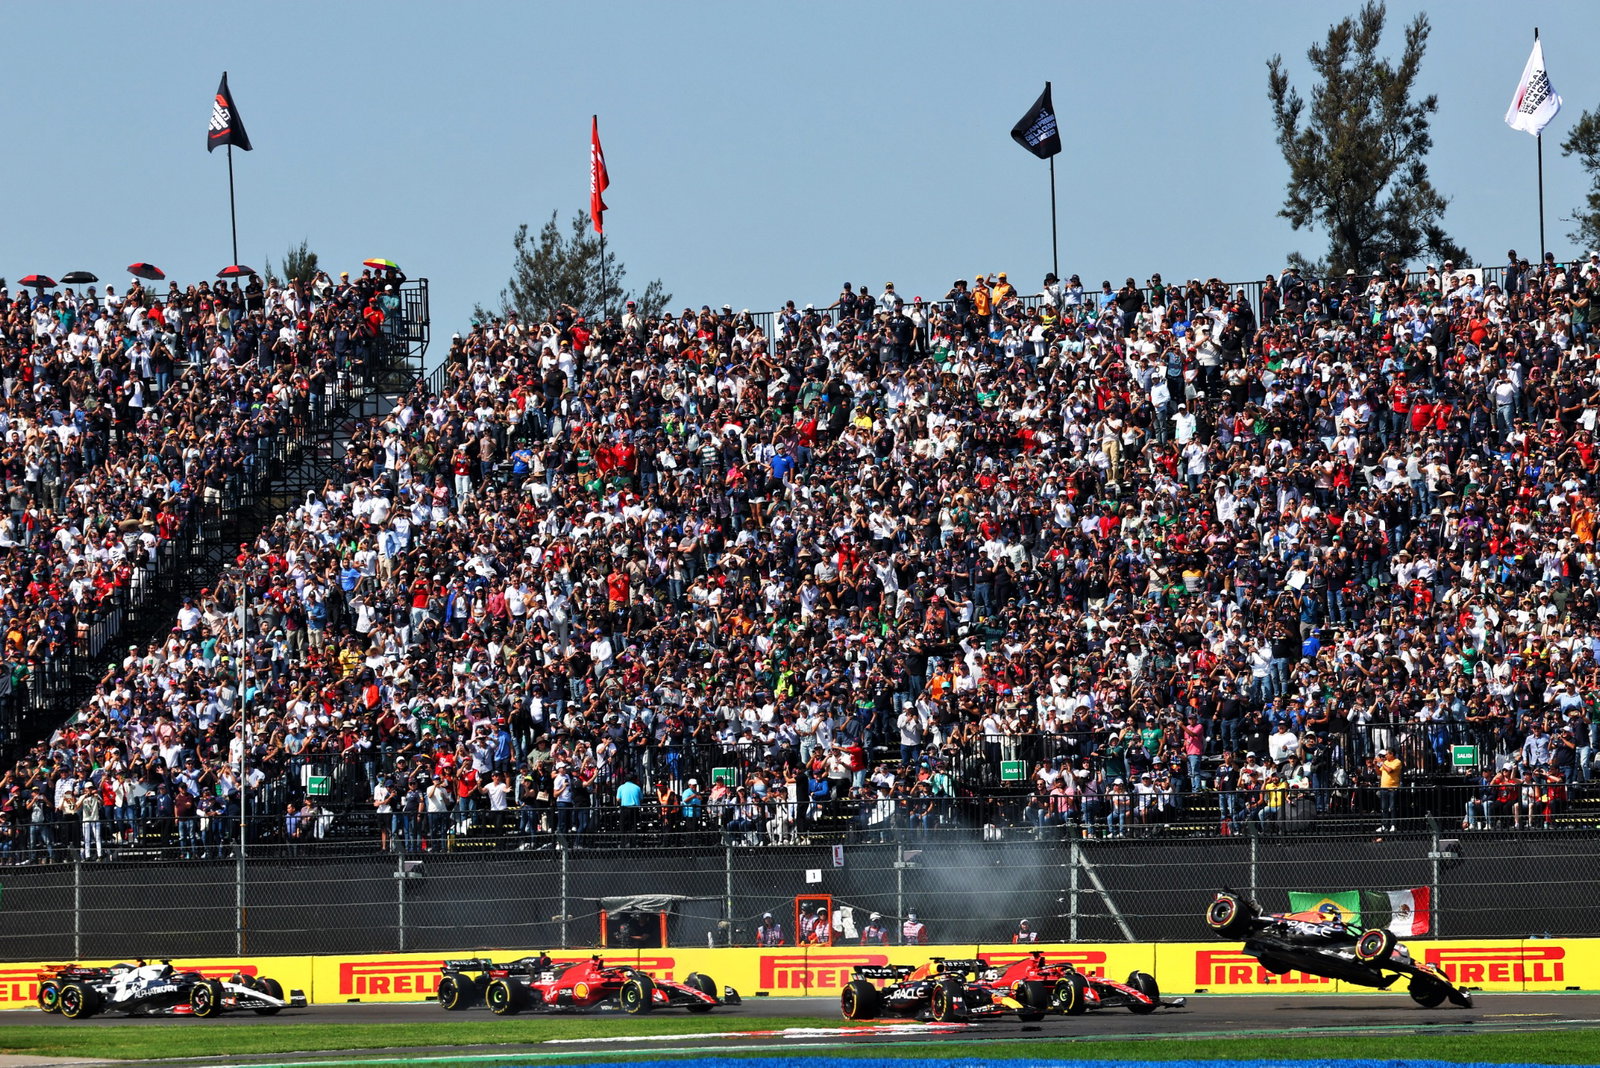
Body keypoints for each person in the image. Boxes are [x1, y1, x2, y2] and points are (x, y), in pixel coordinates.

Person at [1375, 748, 1402, 833]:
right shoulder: (1386, 762)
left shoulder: (1397, 762)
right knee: (1384, 808)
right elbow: (1379, 773)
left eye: (1387, 754)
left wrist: (1382, 763)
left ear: (1392, 754)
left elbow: (1389, 770)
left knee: (1392, 807)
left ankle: (1393, 825)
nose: (1385, 756)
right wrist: (1376, 764)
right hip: (1384, 788)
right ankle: (1384, 825)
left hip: (1392, 788)